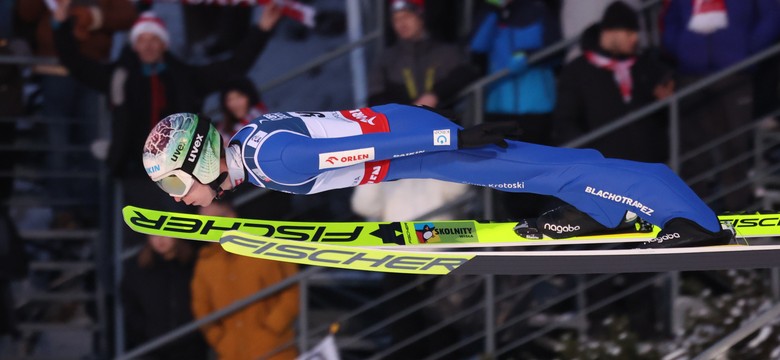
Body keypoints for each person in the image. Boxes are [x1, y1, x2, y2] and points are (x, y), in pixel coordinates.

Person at [141, 105, 734, 248]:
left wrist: (448, 137)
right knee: (529, 174)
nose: (182, 199)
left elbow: (363, 144)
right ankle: (596, 211)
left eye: (175, 185)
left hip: (416, 146)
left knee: (540, 167)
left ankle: (687, 216)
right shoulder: (252, 142)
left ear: (199, 159)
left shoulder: (272, 160)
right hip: (410, 146)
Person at [52, 1, 282, 242]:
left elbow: (233, 66)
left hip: (183, 177)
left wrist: (262, 30)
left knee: (182, 239)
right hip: (134, 174)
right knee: (139, 240)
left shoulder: (185, 77)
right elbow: (75, 64)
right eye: (142, 39)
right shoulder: (118, 77)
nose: (148, 45)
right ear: (135, 45)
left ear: (164, 44)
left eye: (154, 39)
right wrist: (59, 23)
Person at [662, 0, 780, 210]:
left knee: (734, 150)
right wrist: (681, 48)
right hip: (691, 75)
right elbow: (670, 19)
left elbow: (771, 16)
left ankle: (737, 216)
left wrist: (746, 49)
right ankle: (694, 220)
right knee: (692, 153)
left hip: (734, 74)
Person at [554, 1, 674, 163]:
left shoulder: (644, 66)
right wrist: (589, 157)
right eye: (629, 33)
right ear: (611, 32)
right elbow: (566, 122)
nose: (635, 39)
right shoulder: (578, 71)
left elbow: (665, 114)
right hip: (605, 169)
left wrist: (664, 101)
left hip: (648, 167)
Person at [191, 201, 299, 360]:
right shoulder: (205, 263)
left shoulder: (263, 245)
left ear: (231, 216)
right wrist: (219, 338)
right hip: (232, 353)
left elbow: (293, 287)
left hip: (276, 349)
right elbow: (201, 307)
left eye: (215, 220)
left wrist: (274, 326)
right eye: (205, 224)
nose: (210, 229)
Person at [368, 0, 478, 108]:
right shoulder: (386, 58)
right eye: (396, 19)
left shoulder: (445, 52)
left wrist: (434, 95)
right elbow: (375, 97)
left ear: (420, 17)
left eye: (407, 16)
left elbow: (466, 73)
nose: (401, 24)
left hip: (442, 121)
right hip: (402, 123)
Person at [120, 234, 208, 359]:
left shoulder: (195, 265)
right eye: (154, 236)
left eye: (165, 235)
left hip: (192, 347)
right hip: (152, 349)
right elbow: (130, 304)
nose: (159, 240)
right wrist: (145, 333)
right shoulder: (138, 268)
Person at [216, 77, 268, 145]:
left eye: (239, 96)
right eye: (229, 99)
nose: (235, 103)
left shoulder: (261, 120)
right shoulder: (223, 127)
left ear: (249, 96)